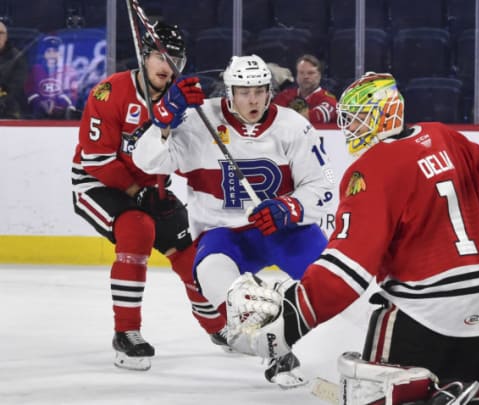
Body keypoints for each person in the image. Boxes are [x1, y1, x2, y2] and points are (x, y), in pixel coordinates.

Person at [225, 72, 479, 395]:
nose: (350, 130)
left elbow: (348, 269)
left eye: (357, 120)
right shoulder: (444, 136)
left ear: (383, 114)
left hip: (421, 310)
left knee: (372, 392)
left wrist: (293, 318)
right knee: (458, 387)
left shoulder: (371, 169)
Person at [131, 54, 334, 387]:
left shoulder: (294, 125)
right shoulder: (200, 120)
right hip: (225, 235)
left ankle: (369, 348)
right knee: (216, 279)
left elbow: (324, 180)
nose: (252, 99)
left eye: (259, 90)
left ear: (269, 90)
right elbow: (148, 162)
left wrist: (290, 208)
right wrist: (164, 120)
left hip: (284, 230)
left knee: (337, 283)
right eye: (243, 91)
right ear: (229, 92)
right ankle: (277, 352)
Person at [71, 21, 228, 372]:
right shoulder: (109, 93)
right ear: (144, 57)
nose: (167, 65)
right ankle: (126, 332)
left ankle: (220, 327)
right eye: (160, 55)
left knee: (191, 252)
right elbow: (96, 160)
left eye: (175, 58)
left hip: (150, 188)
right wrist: (137, 193)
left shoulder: (184, 100)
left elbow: (188, 156)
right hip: (98, 183)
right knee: (137, 228)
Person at [272, 54, 337, 124]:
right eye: (301, 72)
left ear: (319, 76)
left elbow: (316, 117)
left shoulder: (329, 100)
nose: (305, 76)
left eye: (310, 73)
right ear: (297, 75)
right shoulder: (284, 95)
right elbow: (272, 116)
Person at [25, 35, 76, 119]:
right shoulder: (36, 70)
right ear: (44, 54)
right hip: (38, 115)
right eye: (48, 51)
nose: (52, 54)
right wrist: (40, 103)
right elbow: (29, 90)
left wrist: (57, 105)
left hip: (61, 116)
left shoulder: (68, 71)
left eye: (55, 51)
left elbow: (73, 94)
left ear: (59, 53)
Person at [0, 20, 28, 118]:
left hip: (8, 111)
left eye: (1, 33)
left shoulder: (17, 58)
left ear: (6, 36)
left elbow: (16, 87)